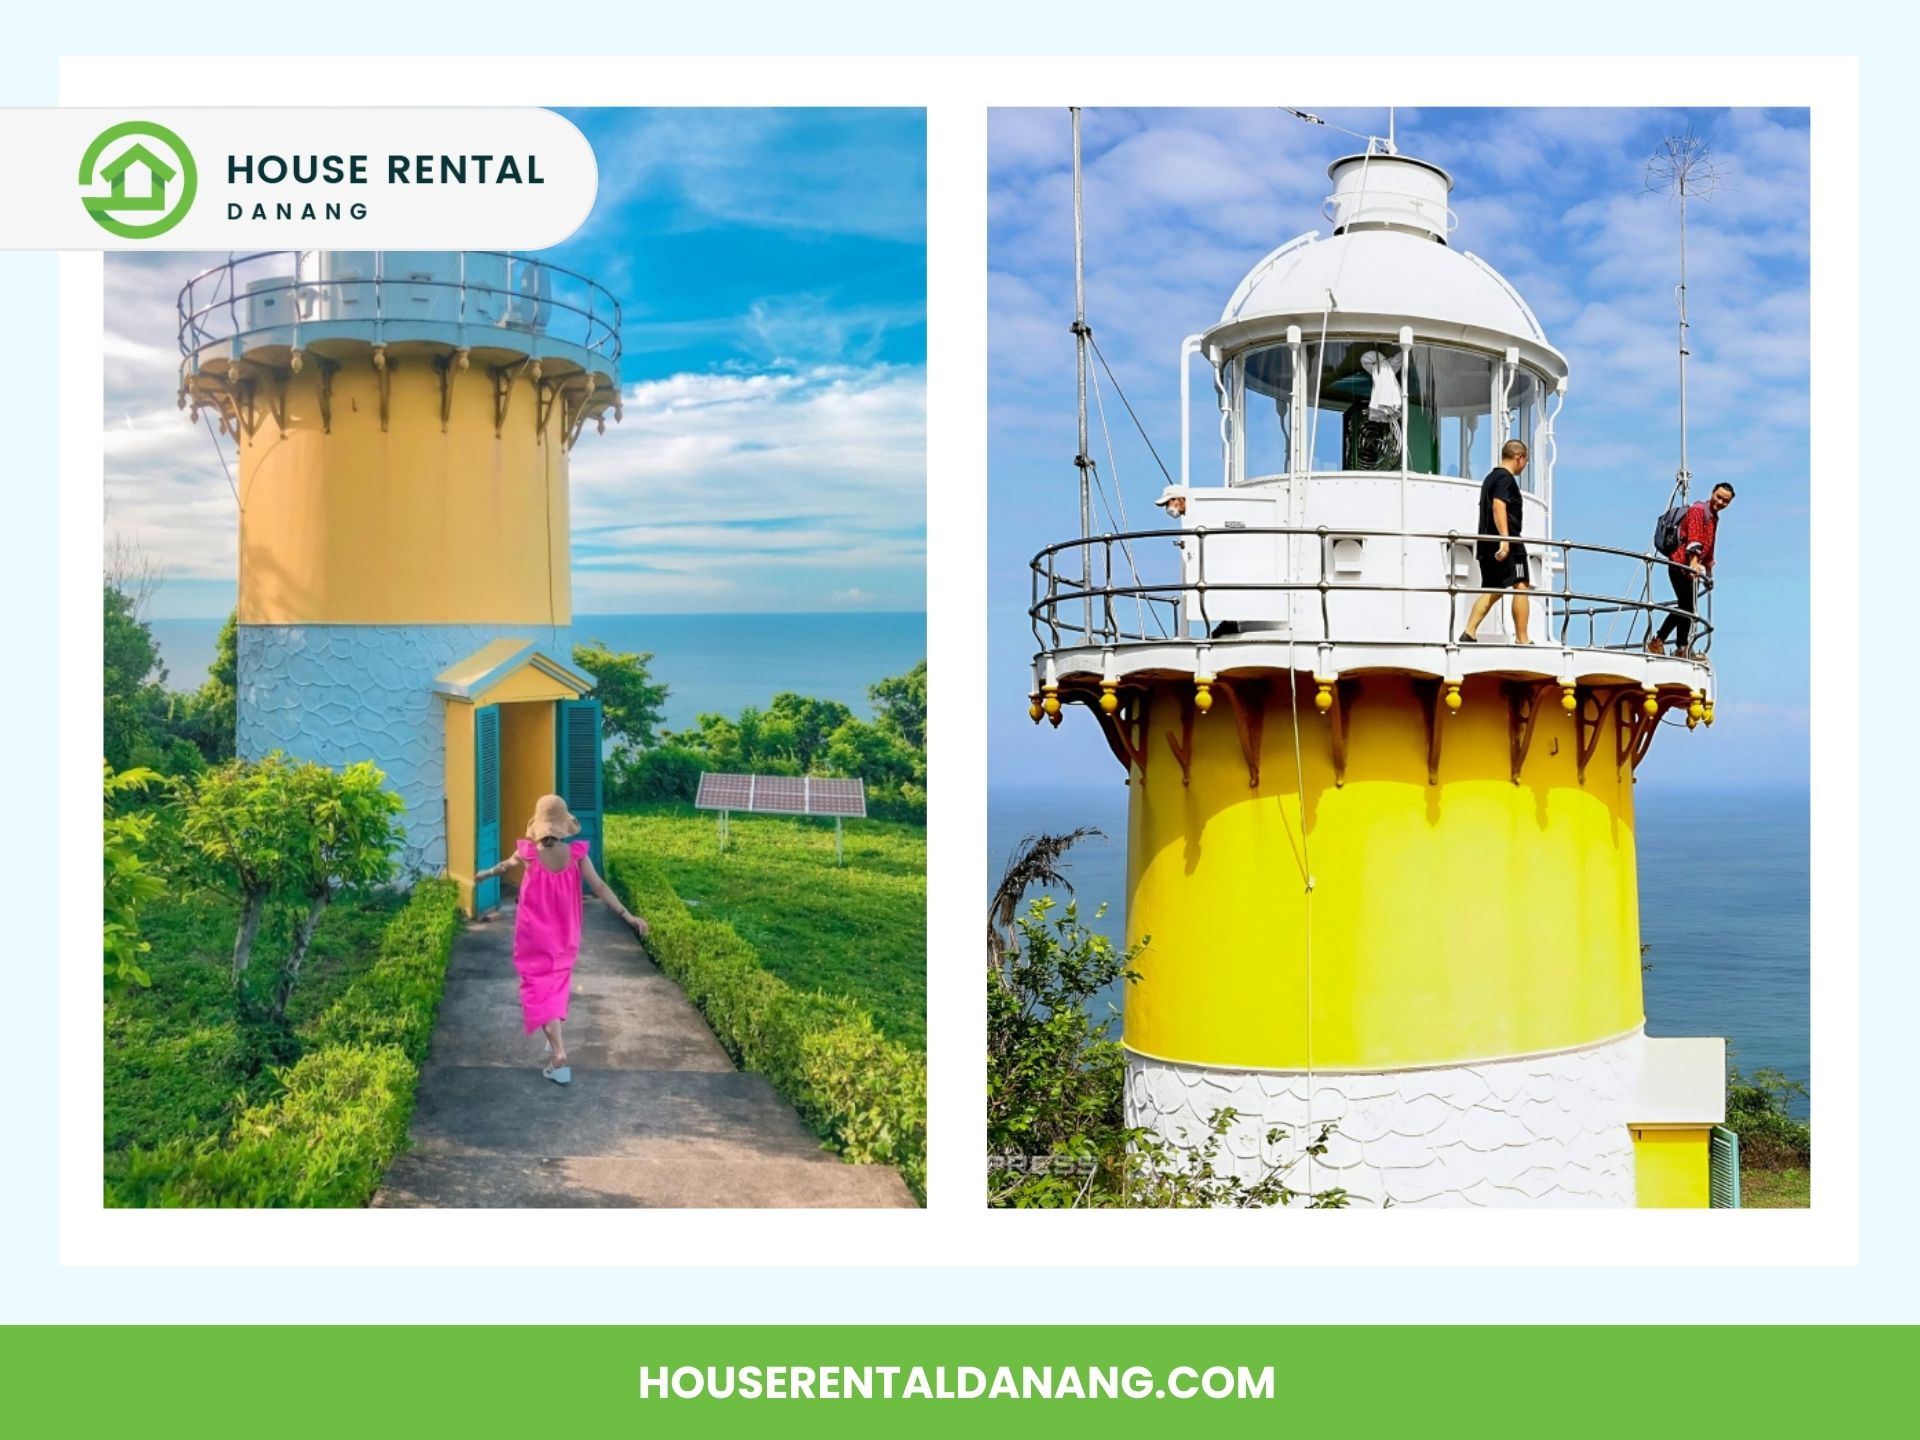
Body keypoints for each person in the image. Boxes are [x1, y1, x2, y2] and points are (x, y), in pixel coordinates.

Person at [474, 794, 649, 1085]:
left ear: (539, 826)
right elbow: (600, 887)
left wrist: (486, 874)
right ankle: (553, 1033)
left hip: (533, 937)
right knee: (555, 986)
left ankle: (559, 1055)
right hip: (566, 935)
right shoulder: (577, 854)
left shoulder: (529, 853)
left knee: (537, 990)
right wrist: (628, 915)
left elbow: (505, 865)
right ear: (563, 826)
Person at [1647, 482, 1734, 658]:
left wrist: (1709, 571)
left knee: (1688, 607)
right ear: (1712, 493)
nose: (1720, 502)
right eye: (1718, 497)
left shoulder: (1714, 517)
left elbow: (1709, 545)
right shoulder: (1698, 510)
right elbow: (1694, 540)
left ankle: (1680, 647)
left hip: (1689, 569)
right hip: (1680, 564)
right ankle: (1661, 642)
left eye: (1725, 501)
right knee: (1686, 607)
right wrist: (1694, 564)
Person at [1458, 439, 1532, 645]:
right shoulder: (1505, 479)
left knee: (1494, 588)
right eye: (1526, 461)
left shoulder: (1490, 478)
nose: (1525, 466)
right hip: (1508, 543)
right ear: (1519, 457)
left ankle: (1469, 632)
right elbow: (1499, 506)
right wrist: (1506, 540)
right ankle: (1523, 639)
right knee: (1521, 584)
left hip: (1486, 543)